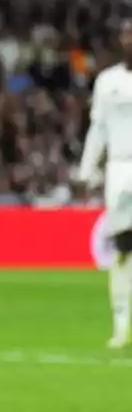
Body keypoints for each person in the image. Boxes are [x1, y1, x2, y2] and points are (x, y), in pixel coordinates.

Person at [78, 18, 132, 349]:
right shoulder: (106, 81)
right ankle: (121, 327)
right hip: (119, 171)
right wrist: (87, 169)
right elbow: (97, 128)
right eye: (126, 35)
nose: (130, 40)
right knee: (123, 252)